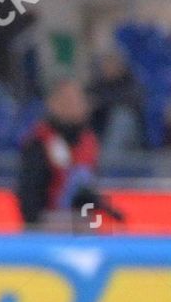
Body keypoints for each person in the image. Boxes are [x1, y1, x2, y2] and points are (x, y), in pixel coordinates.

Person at [15, 77, 121, 228]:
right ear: (52, 104)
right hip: (48, 222)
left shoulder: (89, 142)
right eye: (67, 101)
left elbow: (86, 189)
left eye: (78, 101)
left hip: (82, 220)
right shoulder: (39, 141)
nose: (75, 106)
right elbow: (29, 192)